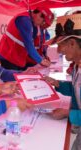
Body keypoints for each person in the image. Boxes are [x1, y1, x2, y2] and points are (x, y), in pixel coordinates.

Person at [44, 13, 81, 150]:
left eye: (60, 45)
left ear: (72, 43)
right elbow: (76, 89)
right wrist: (57, 84)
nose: (59, 51)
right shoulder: (77, 65)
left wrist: (67, 113)